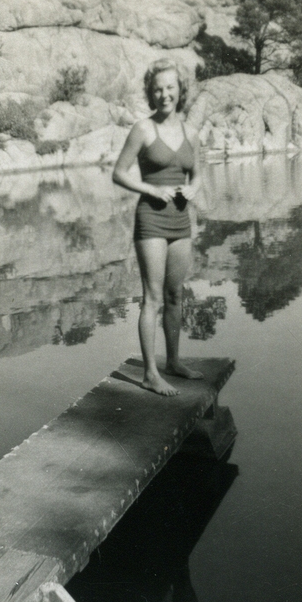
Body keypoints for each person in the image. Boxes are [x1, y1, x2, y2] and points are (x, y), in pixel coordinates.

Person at [113, 58, 203, 396]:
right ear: (151, 94)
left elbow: (197, 173)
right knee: (152, 297)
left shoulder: (190, 132)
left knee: (175, 294)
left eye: (170, 88)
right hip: (150, 218)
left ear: (180, 91)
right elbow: (119, 172)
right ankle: (150, 373)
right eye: (158, 89)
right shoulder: (142, 129)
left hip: (180, 219)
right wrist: (152, 189)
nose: (164, 94)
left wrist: (193, 189)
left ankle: (174, 362)